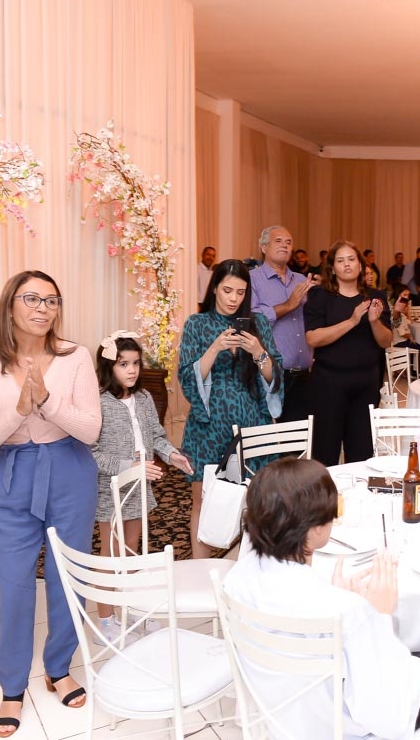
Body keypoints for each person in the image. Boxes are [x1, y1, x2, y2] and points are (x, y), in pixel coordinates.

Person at [222, 458, 420, 738]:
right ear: (314, 529)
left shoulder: (237, 579)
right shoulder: (347, 610)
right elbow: (386, 712)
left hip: (284, 717)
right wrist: (380, 615)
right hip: (345, 726)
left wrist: (341, 600)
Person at [0, 271, 103, 736]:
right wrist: (19, 410)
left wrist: (47, 401)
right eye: (32, 299)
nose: (44, 308)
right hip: (10, 475)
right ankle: (11, 686)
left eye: (52, 300)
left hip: (70, 471)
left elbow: (91, 430)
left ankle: (59, 668)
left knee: (68, 576)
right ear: (10, 305)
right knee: (14, 584)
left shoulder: (75, 356)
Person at [91, 331, 193, 642]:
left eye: (135, 363)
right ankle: (105, 621)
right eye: (123, 364)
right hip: (112, 489)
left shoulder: (145, 398)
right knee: (111, 555)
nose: (132, 370)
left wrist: (172, 455)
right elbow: (93, 454)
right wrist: (130, 467)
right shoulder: (99, 402)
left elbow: (157, 436)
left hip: (139, 488)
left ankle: (133, 608)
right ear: (109, 367)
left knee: (131, 552)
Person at [179, 259, 283, 557]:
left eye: (240, 292)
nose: (234, 299)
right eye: (227, 291)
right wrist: (215, 348)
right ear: (214, 288)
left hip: (253, 425)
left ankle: (244, 566)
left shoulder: (258, 323)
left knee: (255, 502)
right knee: (203, 500)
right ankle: (200, 570)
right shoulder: (197, 324)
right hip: (208, 427)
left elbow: (274, 378)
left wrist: (258, 352)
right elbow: (187, 377)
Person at [305, 240, 401, 465]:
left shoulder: (375, 296)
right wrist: (352, 321)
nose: (347, 264)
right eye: (340, 260)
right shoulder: (320, 296)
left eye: (351, 259)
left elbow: (385, 341)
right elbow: (313, 338)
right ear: (332, 268)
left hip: (365, 383)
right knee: (325, 451)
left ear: (360, 265)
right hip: (328, 383)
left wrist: (374, 321)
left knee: (362, 453)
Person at [251, 226, 319, 423]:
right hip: (269, 375)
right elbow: (253, 320)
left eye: (289, 242)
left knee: (301, 434)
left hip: (303, 373)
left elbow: (313, 319)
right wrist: (289, 305)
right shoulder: (252, 279)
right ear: (264, 247)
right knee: (268, 435)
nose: (285, 245)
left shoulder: (301, 280)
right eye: (278, 241)